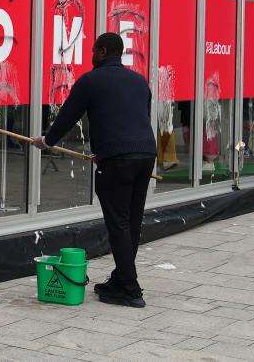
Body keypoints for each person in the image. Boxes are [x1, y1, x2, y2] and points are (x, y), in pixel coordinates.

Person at [31, 32, 156, 308]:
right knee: (132, 220)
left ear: (101, 51)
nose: (90, 56)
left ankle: (130, 289)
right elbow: (137, 117)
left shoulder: (91, 81)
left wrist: (47, 141)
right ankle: (121, 277)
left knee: (118, 223)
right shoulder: (138, 81)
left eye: (92, 51)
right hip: (145, 155)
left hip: (117, 161)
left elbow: (68, 116)